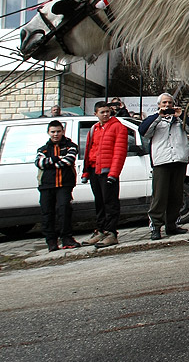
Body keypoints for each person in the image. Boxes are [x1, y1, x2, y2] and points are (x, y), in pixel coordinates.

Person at [139, 94, 189, 240]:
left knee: (176, 195)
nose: (167, 105)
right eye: (164, 102)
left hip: (178, 159)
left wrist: (182, 115)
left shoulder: (179, 119)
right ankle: (156, 227)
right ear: (159, 105)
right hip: (162, 161)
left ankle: (172, 225)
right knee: (159, 196)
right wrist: (159, 117)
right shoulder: (153, 119)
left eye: (170, 103)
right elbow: (144, 131)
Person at [81, 102, 128, 247]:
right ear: (96, 114)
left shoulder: (118, 127)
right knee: (99, 202)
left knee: (110, 202)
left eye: (108, 111)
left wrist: (113, 173)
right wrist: (85, 172)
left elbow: (119, 152)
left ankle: (111, 232)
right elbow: (88, 150)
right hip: (94, 169)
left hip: (108, 171)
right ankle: (100, 230)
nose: (106, 114)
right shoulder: (94, 128)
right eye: (102, 112)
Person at [35, 120, 80, 251]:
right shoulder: (42, 149)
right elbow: (39, 163)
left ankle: (67, 238)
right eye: (53, 132)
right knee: (47, 213)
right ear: (48, 132)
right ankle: (51, 242)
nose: (56, 134)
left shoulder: (71, 146)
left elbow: (68, 161)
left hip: (64, 185)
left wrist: (50, 162)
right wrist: (56, 159)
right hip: (46, 185)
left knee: (64, 210)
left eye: (58, 131)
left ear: (63, 131)